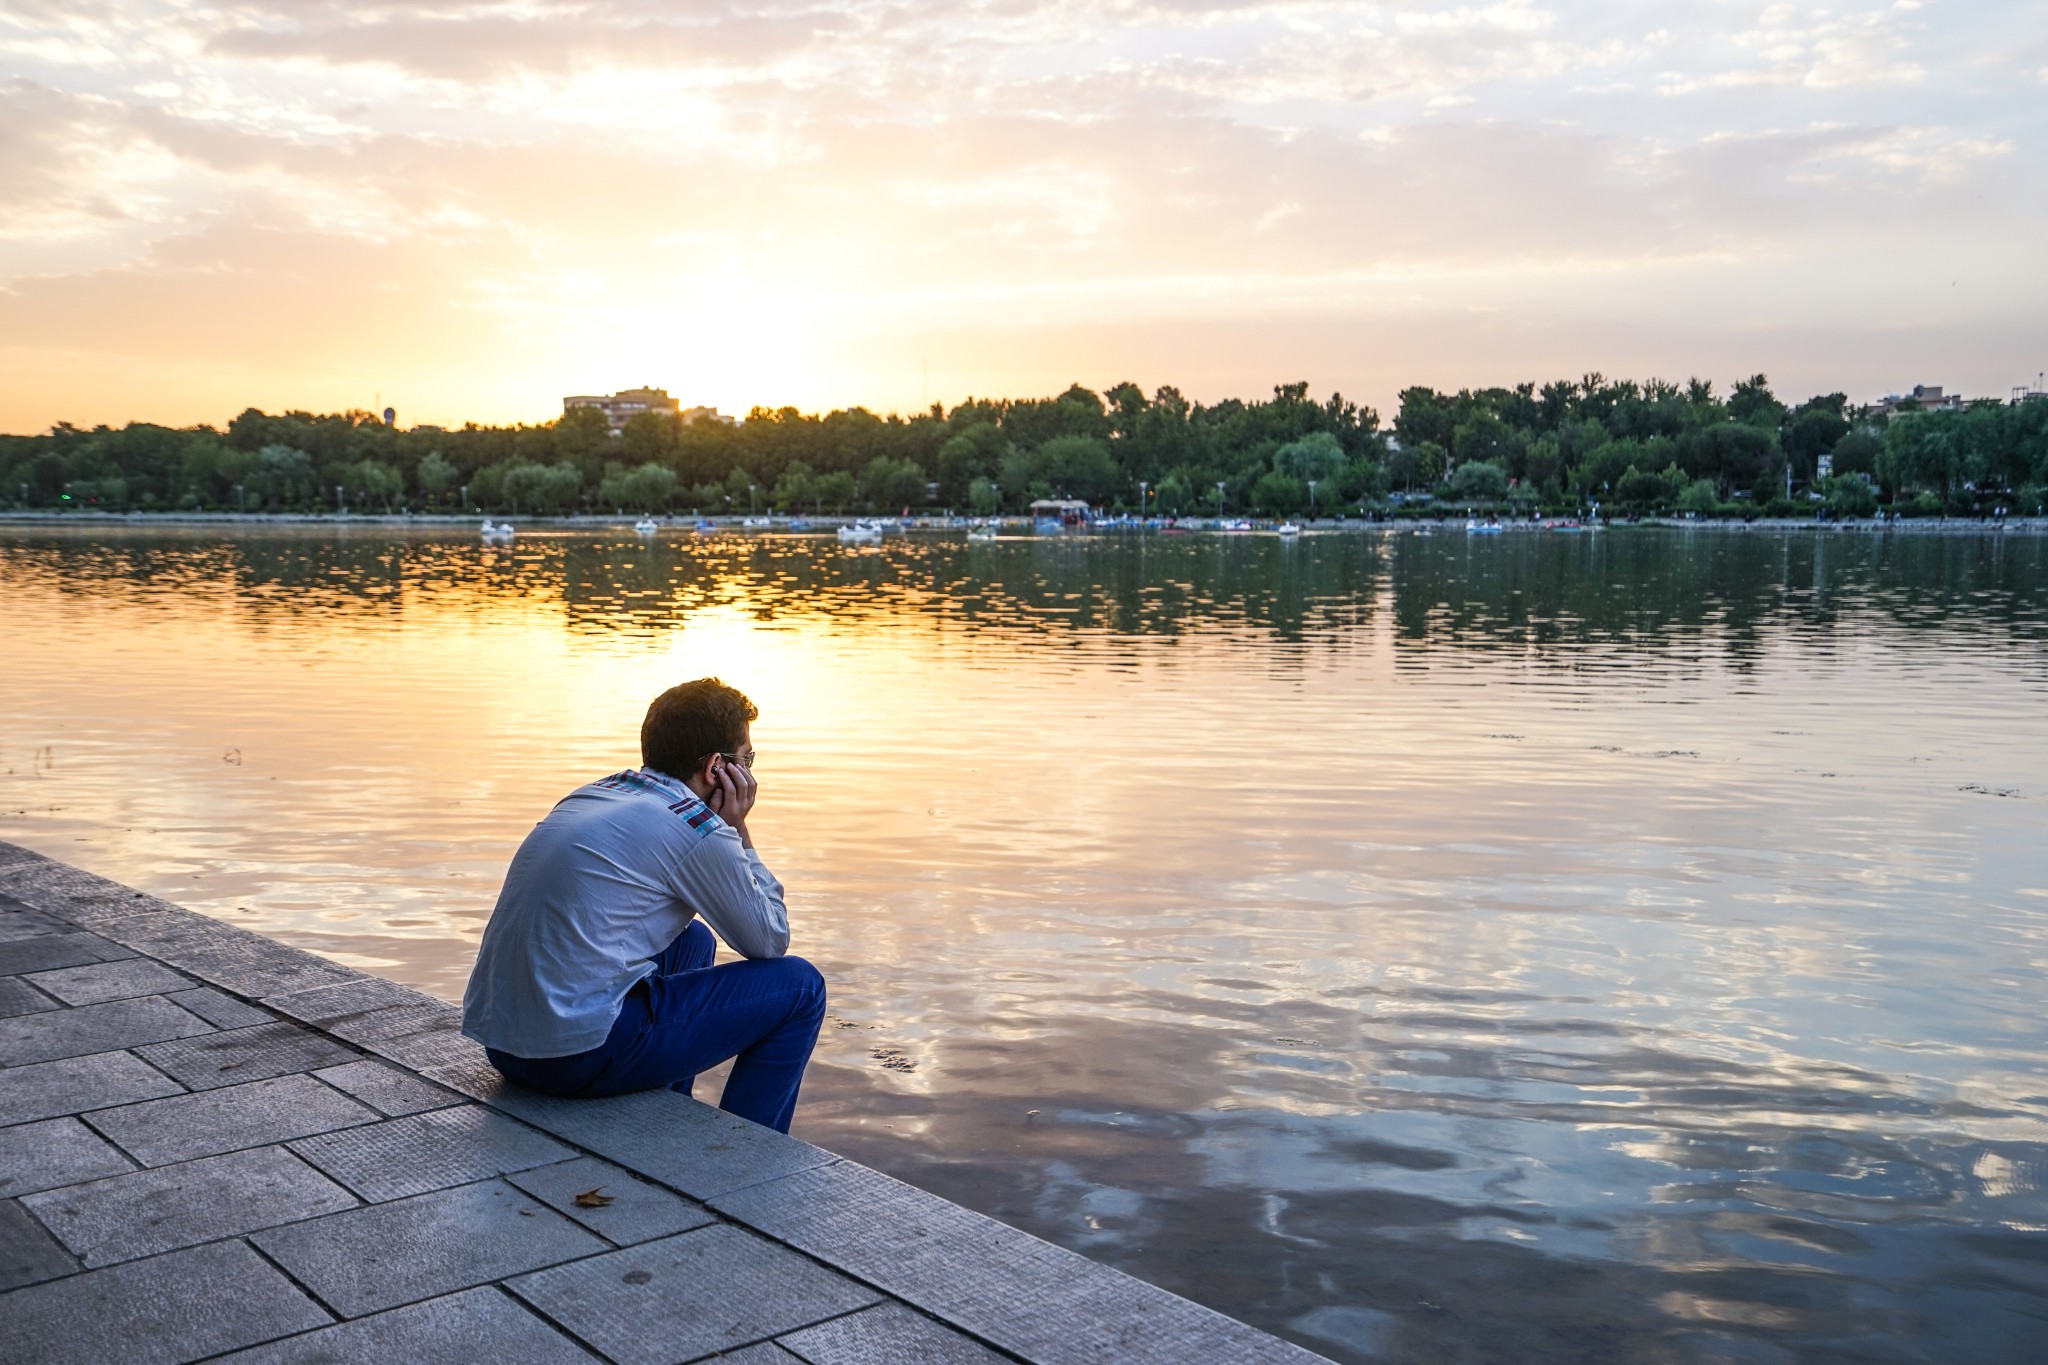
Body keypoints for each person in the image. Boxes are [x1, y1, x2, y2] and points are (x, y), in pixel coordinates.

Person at [461, 677, 824, 1133]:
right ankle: (749, 1152)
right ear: (718, 767)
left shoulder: (599, 792)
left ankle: (663, 1111)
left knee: (691, 939)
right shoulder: (695, 826)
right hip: (569, 1059)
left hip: (505, 1046)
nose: (750, 773)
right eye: (746, 759)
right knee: (801, 988)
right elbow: (769, 941)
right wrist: (738, 831)